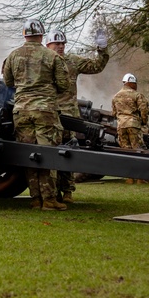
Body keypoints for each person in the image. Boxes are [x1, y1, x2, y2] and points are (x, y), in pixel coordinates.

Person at [3, 18, 70, 211]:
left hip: (21, 110)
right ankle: (49, 200)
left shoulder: (13, 56)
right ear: (41, 35)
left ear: (24, 34)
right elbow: (64, 84)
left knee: (29, 155)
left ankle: (35, 198)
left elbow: (8, 81)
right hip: (45, 110)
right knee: (47, 154)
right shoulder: (51, 56)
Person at [44, 28, 109, 203]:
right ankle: (52, 193)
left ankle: (67, 192)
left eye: (62, 43)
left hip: (69, 115)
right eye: (56, 43)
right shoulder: (42, 61)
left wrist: (102, 49)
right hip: (49, 114)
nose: (60, 46)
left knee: (69, 152)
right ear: (47, 44)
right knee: (50, 153)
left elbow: (96, 66)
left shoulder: (72, 61)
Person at [111, 73, 149, 184]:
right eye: (135, 83)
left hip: (121, 125)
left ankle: (129, 177)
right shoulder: (137, 95)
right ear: (131, 83)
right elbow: (143, 110)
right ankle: (139, 178)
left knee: (126, 151)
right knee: (137, 150)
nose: (136, 85)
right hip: (133, 125)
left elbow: (113, 113)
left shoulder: (116, 96)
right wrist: (144, 122)